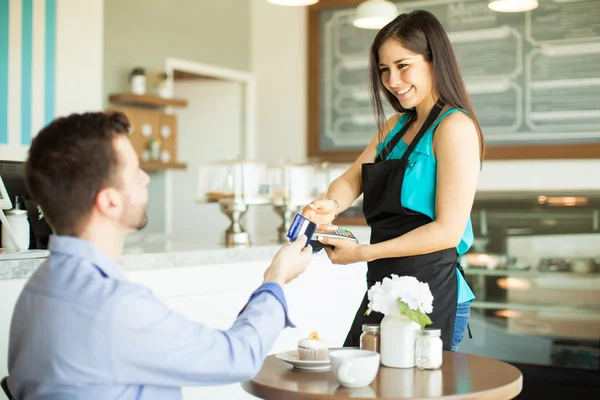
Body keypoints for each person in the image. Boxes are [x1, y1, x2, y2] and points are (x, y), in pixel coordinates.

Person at [6, 111, 313, 399]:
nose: (146, 178)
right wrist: (276, 279)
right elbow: (238, 356)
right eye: (135, 170)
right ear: (109, 201)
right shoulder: (113, 306)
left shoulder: (35, 292)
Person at [303, 10, 483, 352]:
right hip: (383, 289)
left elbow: (447, 231)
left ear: (434, 61)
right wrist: (331, 205)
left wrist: (362, 253)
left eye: (403, 65)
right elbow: (351, 178)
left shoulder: (455, 128)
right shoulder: (394, 126)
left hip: (432, 296)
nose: (392, 81)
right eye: (384, 70)